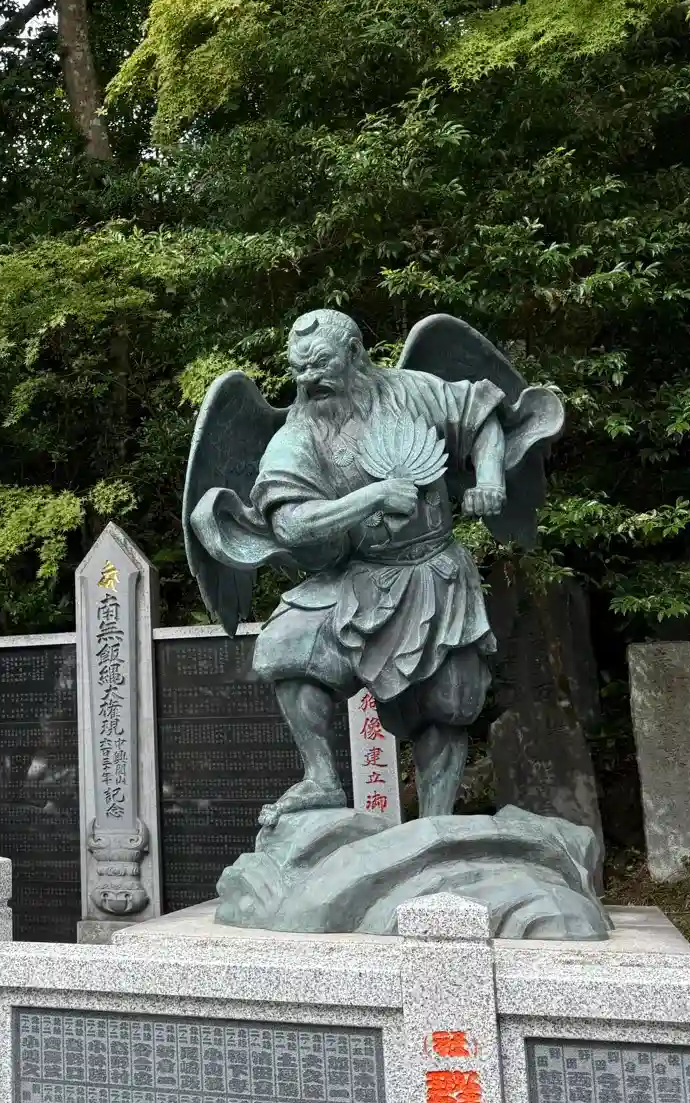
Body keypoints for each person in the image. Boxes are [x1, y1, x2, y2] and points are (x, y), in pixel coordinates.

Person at [189, 310, 514, 823]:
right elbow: (290, 524)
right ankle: (320, 778)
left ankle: (436, 825)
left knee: (448, 701)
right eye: (298, 369)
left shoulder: (412, 391)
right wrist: (372, 497)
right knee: (286, 643)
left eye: (320, 363)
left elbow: (482, 415)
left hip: (436, 571)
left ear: (355, 355)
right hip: (358, 575)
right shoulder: (298, 434)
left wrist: (490, 476)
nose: (308, 378)